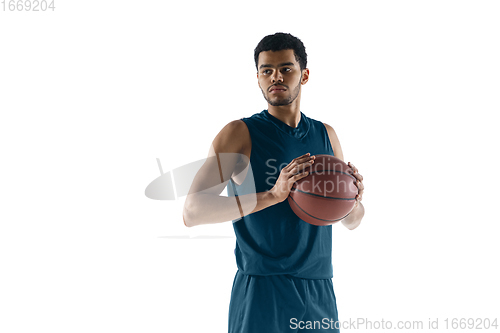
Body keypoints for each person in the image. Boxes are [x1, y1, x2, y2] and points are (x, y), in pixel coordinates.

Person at [183, 32, 365, 333]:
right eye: (266, 70)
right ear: (257, 78)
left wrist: (354, 200)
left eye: (285, 68)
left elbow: (351, 221)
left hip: (319, 288)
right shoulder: (239, 133)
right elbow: (193, 211)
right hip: (263, 289)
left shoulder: (326, 135)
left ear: (304, 75)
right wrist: (272, 195)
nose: (275, 77)